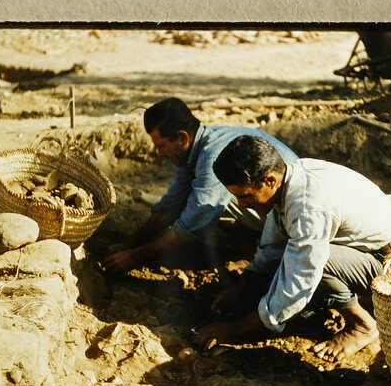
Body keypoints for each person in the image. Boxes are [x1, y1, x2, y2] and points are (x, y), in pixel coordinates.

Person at [193, 135, 391, 361]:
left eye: (245, 196)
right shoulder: (290, 179)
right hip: (363, 254)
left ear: (269, 180)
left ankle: (361, 325)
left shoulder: (308, 206)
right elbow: (272, 246)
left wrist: (235, 330)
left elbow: (299, 281)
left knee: (317, 263)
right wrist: (243, 287)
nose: (242, 205)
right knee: (289, 264)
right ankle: (336, 300)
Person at [101, 98, 297, 273]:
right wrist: (131, 242)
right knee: (197, 202)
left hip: (291, 220)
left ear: (182, 138)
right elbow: (170, 205)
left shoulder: (212, 157)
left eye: (161, 145)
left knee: (210, 206)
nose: (159, 153)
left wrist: (135, 256)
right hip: (271, 215)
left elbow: (191, 224)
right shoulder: (195, 152)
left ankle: (268, 256)